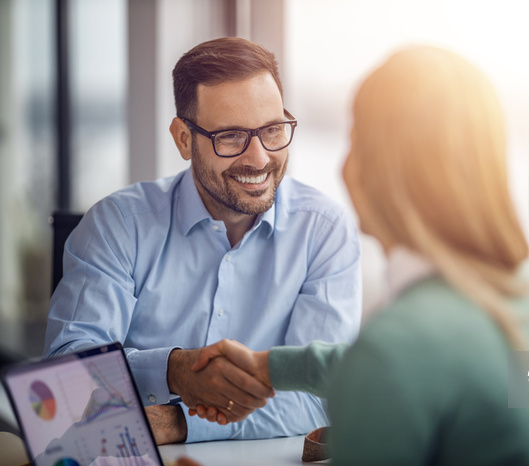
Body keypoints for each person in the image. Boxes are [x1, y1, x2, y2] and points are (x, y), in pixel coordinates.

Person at [186, 45, 529, 465]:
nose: (344, 165)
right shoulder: (528, 288)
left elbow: (391, 365)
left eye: (354, 141)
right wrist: (269, 367)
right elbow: (406, 366)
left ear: (379, 171)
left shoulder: (395, 349)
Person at [43, 37, 362, 444]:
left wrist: (176, 422)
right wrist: (174, 371)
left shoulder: (325, 230)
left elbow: (318, 397)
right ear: (183, 139)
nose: (259, 158)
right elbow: (61, 381)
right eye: (230, 136)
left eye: (272, 130)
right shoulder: (117, 224)